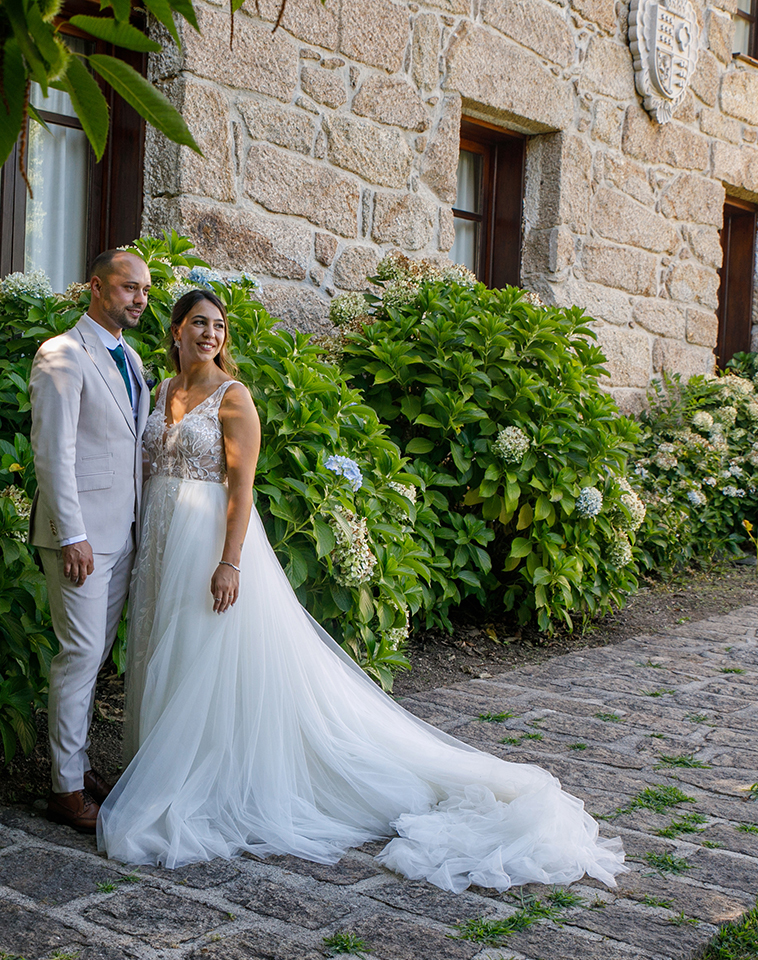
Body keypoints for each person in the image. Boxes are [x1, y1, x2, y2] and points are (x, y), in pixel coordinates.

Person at [95, 287, 626, 892]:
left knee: (200, 658)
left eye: (218, 326)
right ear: (176, 331)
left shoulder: (233, 399)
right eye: (197, 324)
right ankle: (159, 767)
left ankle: (194, 782)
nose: (209, 334)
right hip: (161, 545)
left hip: (207, 544)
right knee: (163, 649)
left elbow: (241, 490)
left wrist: (230, 562)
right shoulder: (160, 391)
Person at [28, 250, 152, 833]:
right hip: (80, 540)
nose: (139, 299)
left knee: (95, 657)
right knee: (78, 655)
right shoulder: (63, 354)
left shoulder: (132, 359)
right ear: (97, 287)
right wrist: (71, 534)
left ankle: (74, 766)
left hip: (121, 534)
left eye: (145, 291)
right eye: (129, 287)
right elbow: (54, 453)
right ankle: (65, 789)